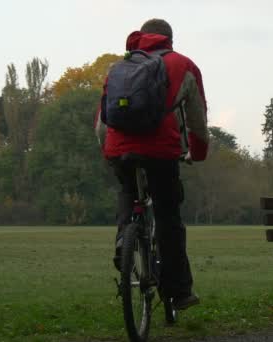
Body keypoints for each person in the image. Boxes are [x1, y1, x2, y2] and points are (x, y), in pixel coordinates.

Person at [94, 19, 209, 311]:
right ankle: (179, 291)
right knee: (168, 215)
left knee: (127, 192)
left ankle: (124, 239)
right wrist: (197, 153)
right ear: (170, 39)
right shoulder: (183, 65)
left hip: (120, 149)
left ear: (142, 37)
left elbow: (101, 124)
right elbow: (197, 122)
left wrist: (109, 152)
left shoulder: (119, 68)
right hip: (161, 151)